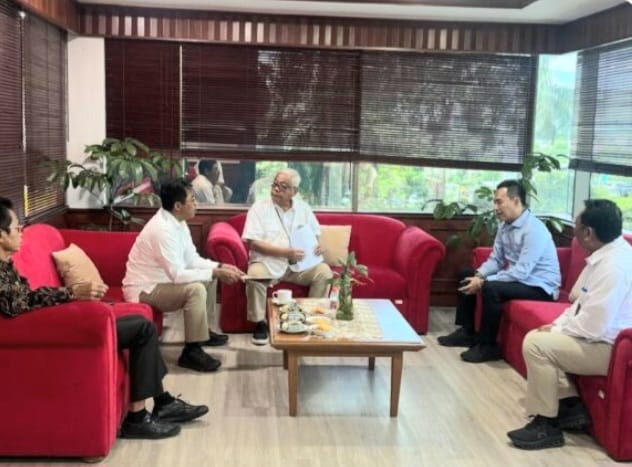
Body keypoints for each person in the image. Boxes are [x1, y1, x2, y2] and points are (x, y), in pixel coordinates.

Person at [0, 196, 207, 440]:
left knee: (143, 326)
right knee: (142, 329)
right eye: (16, 227)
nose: (21, 232)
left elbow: (28, 298)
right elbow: (17, 308)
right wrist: (72, 294)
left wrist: (69, 294)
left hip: (57, 323)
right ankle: (138, 418)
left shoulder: (6, 264)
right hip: (56, 330)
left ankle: (162, 402)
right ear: (1, 235)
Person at [507, 199, 632, 450]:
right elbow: (577, 302)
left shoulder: (615, 267)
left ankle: (546, 425)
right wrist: (556, 326)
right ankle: (570, 407)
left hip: (613, 350)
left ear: (588, 233)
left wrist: (557, 330)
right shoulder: (605, 254)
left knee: (537, 345)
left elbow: (592, 326)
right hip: (598, 338)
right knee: (544, 336)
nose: (573, 231)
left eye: (576, 226)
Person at [123, 179, 244, 372]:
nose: (196, 204)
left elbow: (192, 259)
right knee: (196, 289)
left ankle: (202, 332)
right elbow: (177, 275)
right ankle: (191, 352)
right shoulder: (162, 230)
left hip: (162, 282)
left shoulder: (178, 221)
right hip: (144, 289)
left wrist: (219, 266)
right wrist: (215, 271)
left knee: (209, 278)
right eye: (193, 199)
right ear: (178, 206)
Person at [438, 179, 561, 363]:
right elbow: (496, 260)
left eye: (499, 202)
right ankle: (467, 332)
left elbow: (521, 271)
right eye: (495, 202)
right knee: (466, 275)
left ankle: (488, 346)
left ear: (516, 201)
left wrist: (484, 282)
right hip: (521, 280)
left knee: (491, 288)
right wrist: (478, 275)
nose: (495, 207)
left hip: (540, 287)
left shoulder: (534, 230)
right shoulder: (505, 226)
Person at [243, 168, 333, 345]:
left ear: (295, 191)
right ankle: (259, 323)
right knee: (254, 275)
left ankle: (310, 318)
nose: (276, 189)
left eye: (283, 186)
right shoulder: (259, 208)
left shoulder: (304, 208)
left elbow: (315, 233)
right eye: (275, 184)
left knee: (324, 273)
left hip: (298, 266)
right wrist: (286, 252)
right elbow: (253, 242)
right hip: (268, 262)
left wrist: (319, 245)